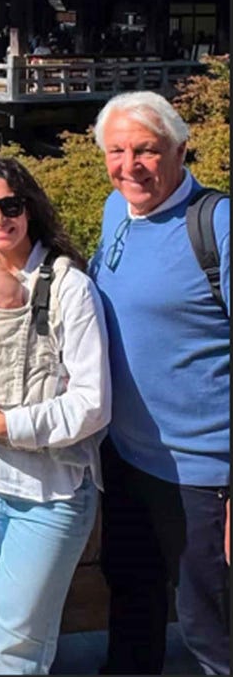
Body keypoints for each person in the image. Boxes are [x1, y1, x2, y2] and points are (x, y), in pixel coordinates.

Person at [0, 154, 111, 674]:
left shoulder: (68, 286)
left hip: (47, 494)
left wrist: (8, 425)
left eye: (10, 205)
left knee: (8, 652)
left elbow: (93, 402)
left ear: (31, 208)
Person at [89, 91, 229, 675]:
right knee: (132, 607)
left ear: (179, 148)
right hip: (126, 458)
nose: (131, 166)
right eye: (117, 151)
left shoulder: (217, 224)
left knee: (210, 627)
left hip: (203, 474)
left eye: (146, 150)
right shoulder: (114, 211)